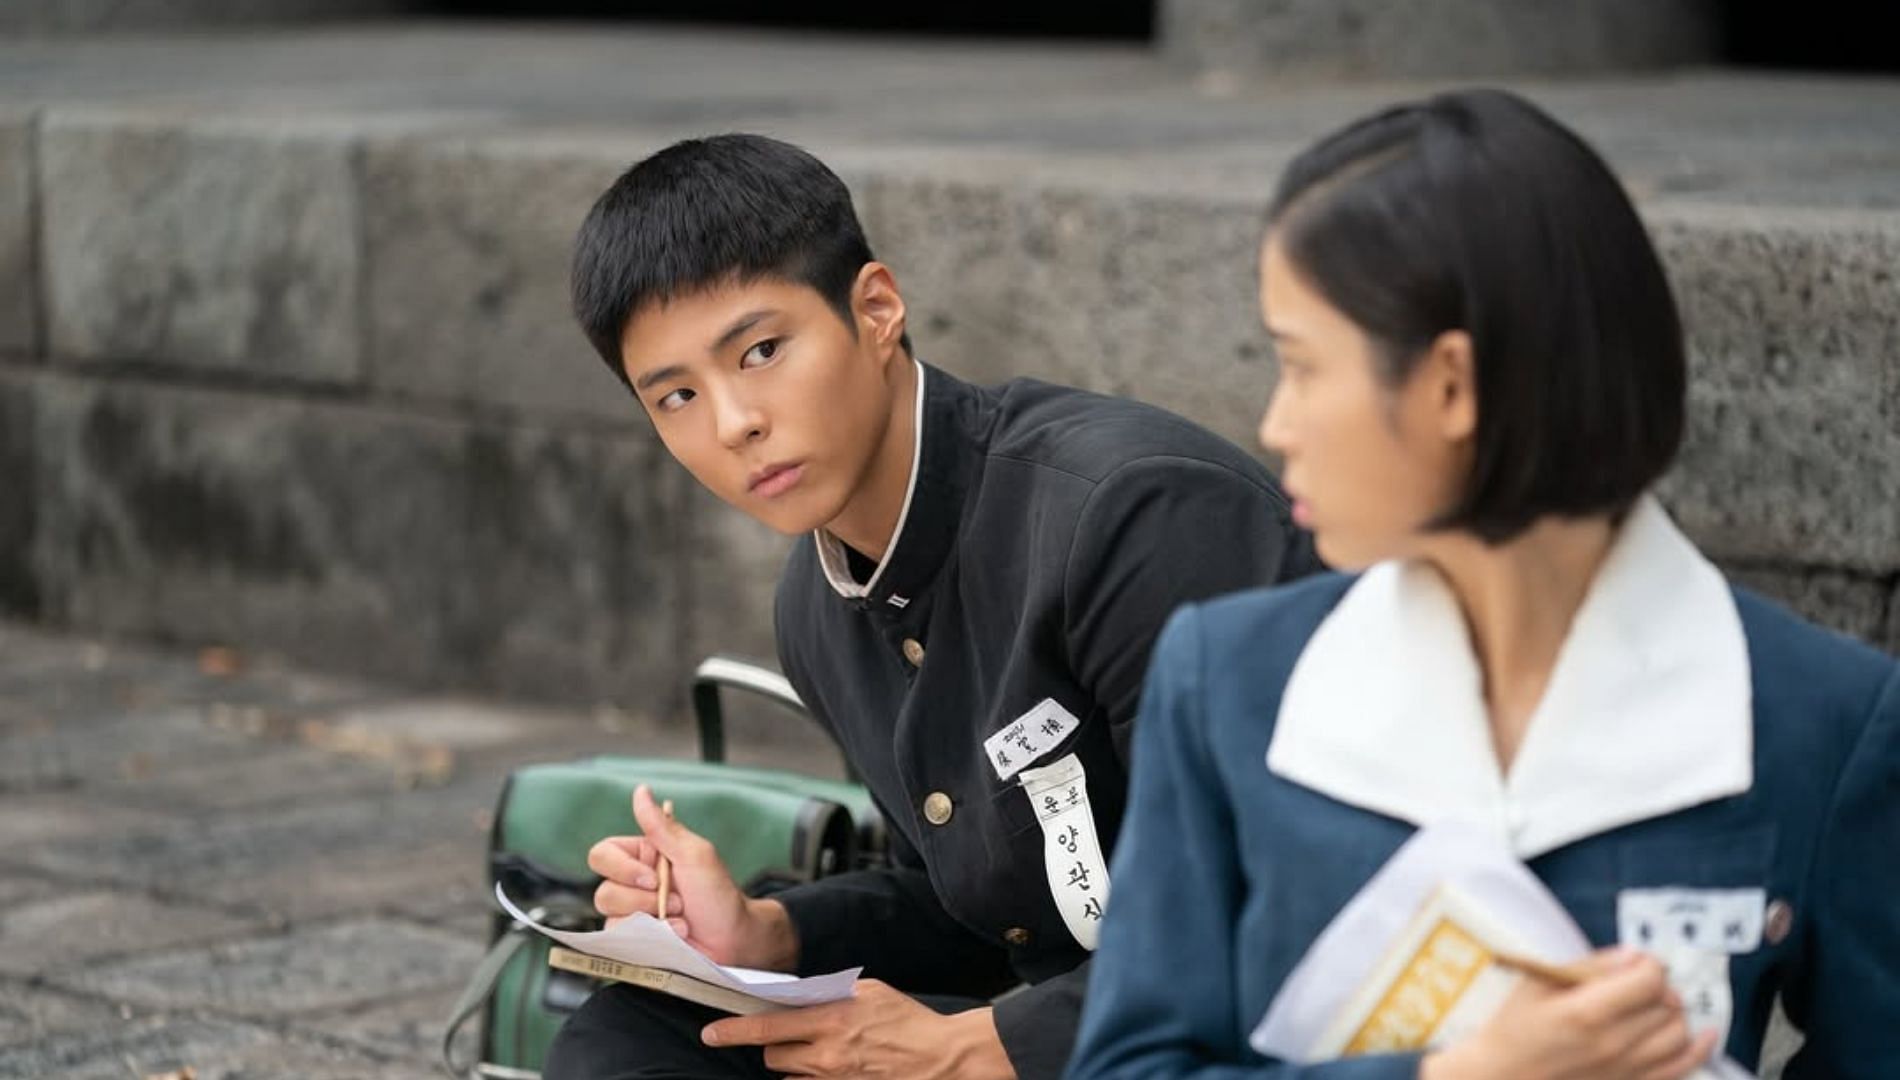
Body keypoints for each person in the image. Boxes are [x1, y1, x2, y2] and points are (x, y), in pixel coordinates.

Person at [1067, 88, 1899, 1080]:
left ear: (1450, 385)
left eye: (1301, 367)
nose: (1275, 424)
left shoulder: (1823, 719)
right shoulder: (1227, 682)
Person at [544, 133, 1320, 1080]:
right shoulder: (818, 607)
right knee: (639, 1030)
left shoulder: (1130, 513)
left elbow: (1281, 893)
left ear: (875, 309)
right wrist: (766, 935)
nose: (732, 422)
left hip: (1245, 1034)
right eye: (674, 397)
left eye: (761, 350)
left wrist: (972, 1048)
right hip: (1059, 1034)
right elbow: (983, 907)